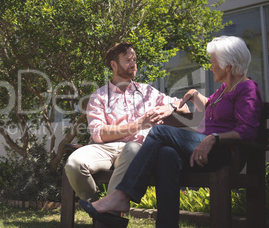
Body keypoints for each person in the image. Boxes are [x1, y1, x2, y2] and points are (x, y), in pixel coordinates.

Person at [79, 36, 263, 228]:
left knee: (159, 132)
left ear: (227, 66)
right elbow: (209, 107)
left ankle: (122, 195)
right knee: (166, 155)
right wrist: (194, 94)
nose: (210, 67)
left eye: (213, 62)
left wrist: (213, 138)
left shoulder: (247, 88)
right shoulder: (225, 89)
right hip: (204, 149)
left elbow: (247, 131)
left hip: (224, 153)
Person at [65, 42, 187, 215]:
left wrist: (171, 107)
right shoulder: (99, 96)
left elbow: (184, 107)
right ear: (114, 65)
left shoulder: (148, 92)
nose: (133, 64)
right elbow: (99, 134)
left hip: (136, 150)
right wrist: (138, 124)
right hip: (104, 148)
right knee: (73, 164)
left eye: (134, 60)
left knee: (132, 148)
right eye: (128, 60)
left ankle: (107, 216)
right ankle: (98, 207)